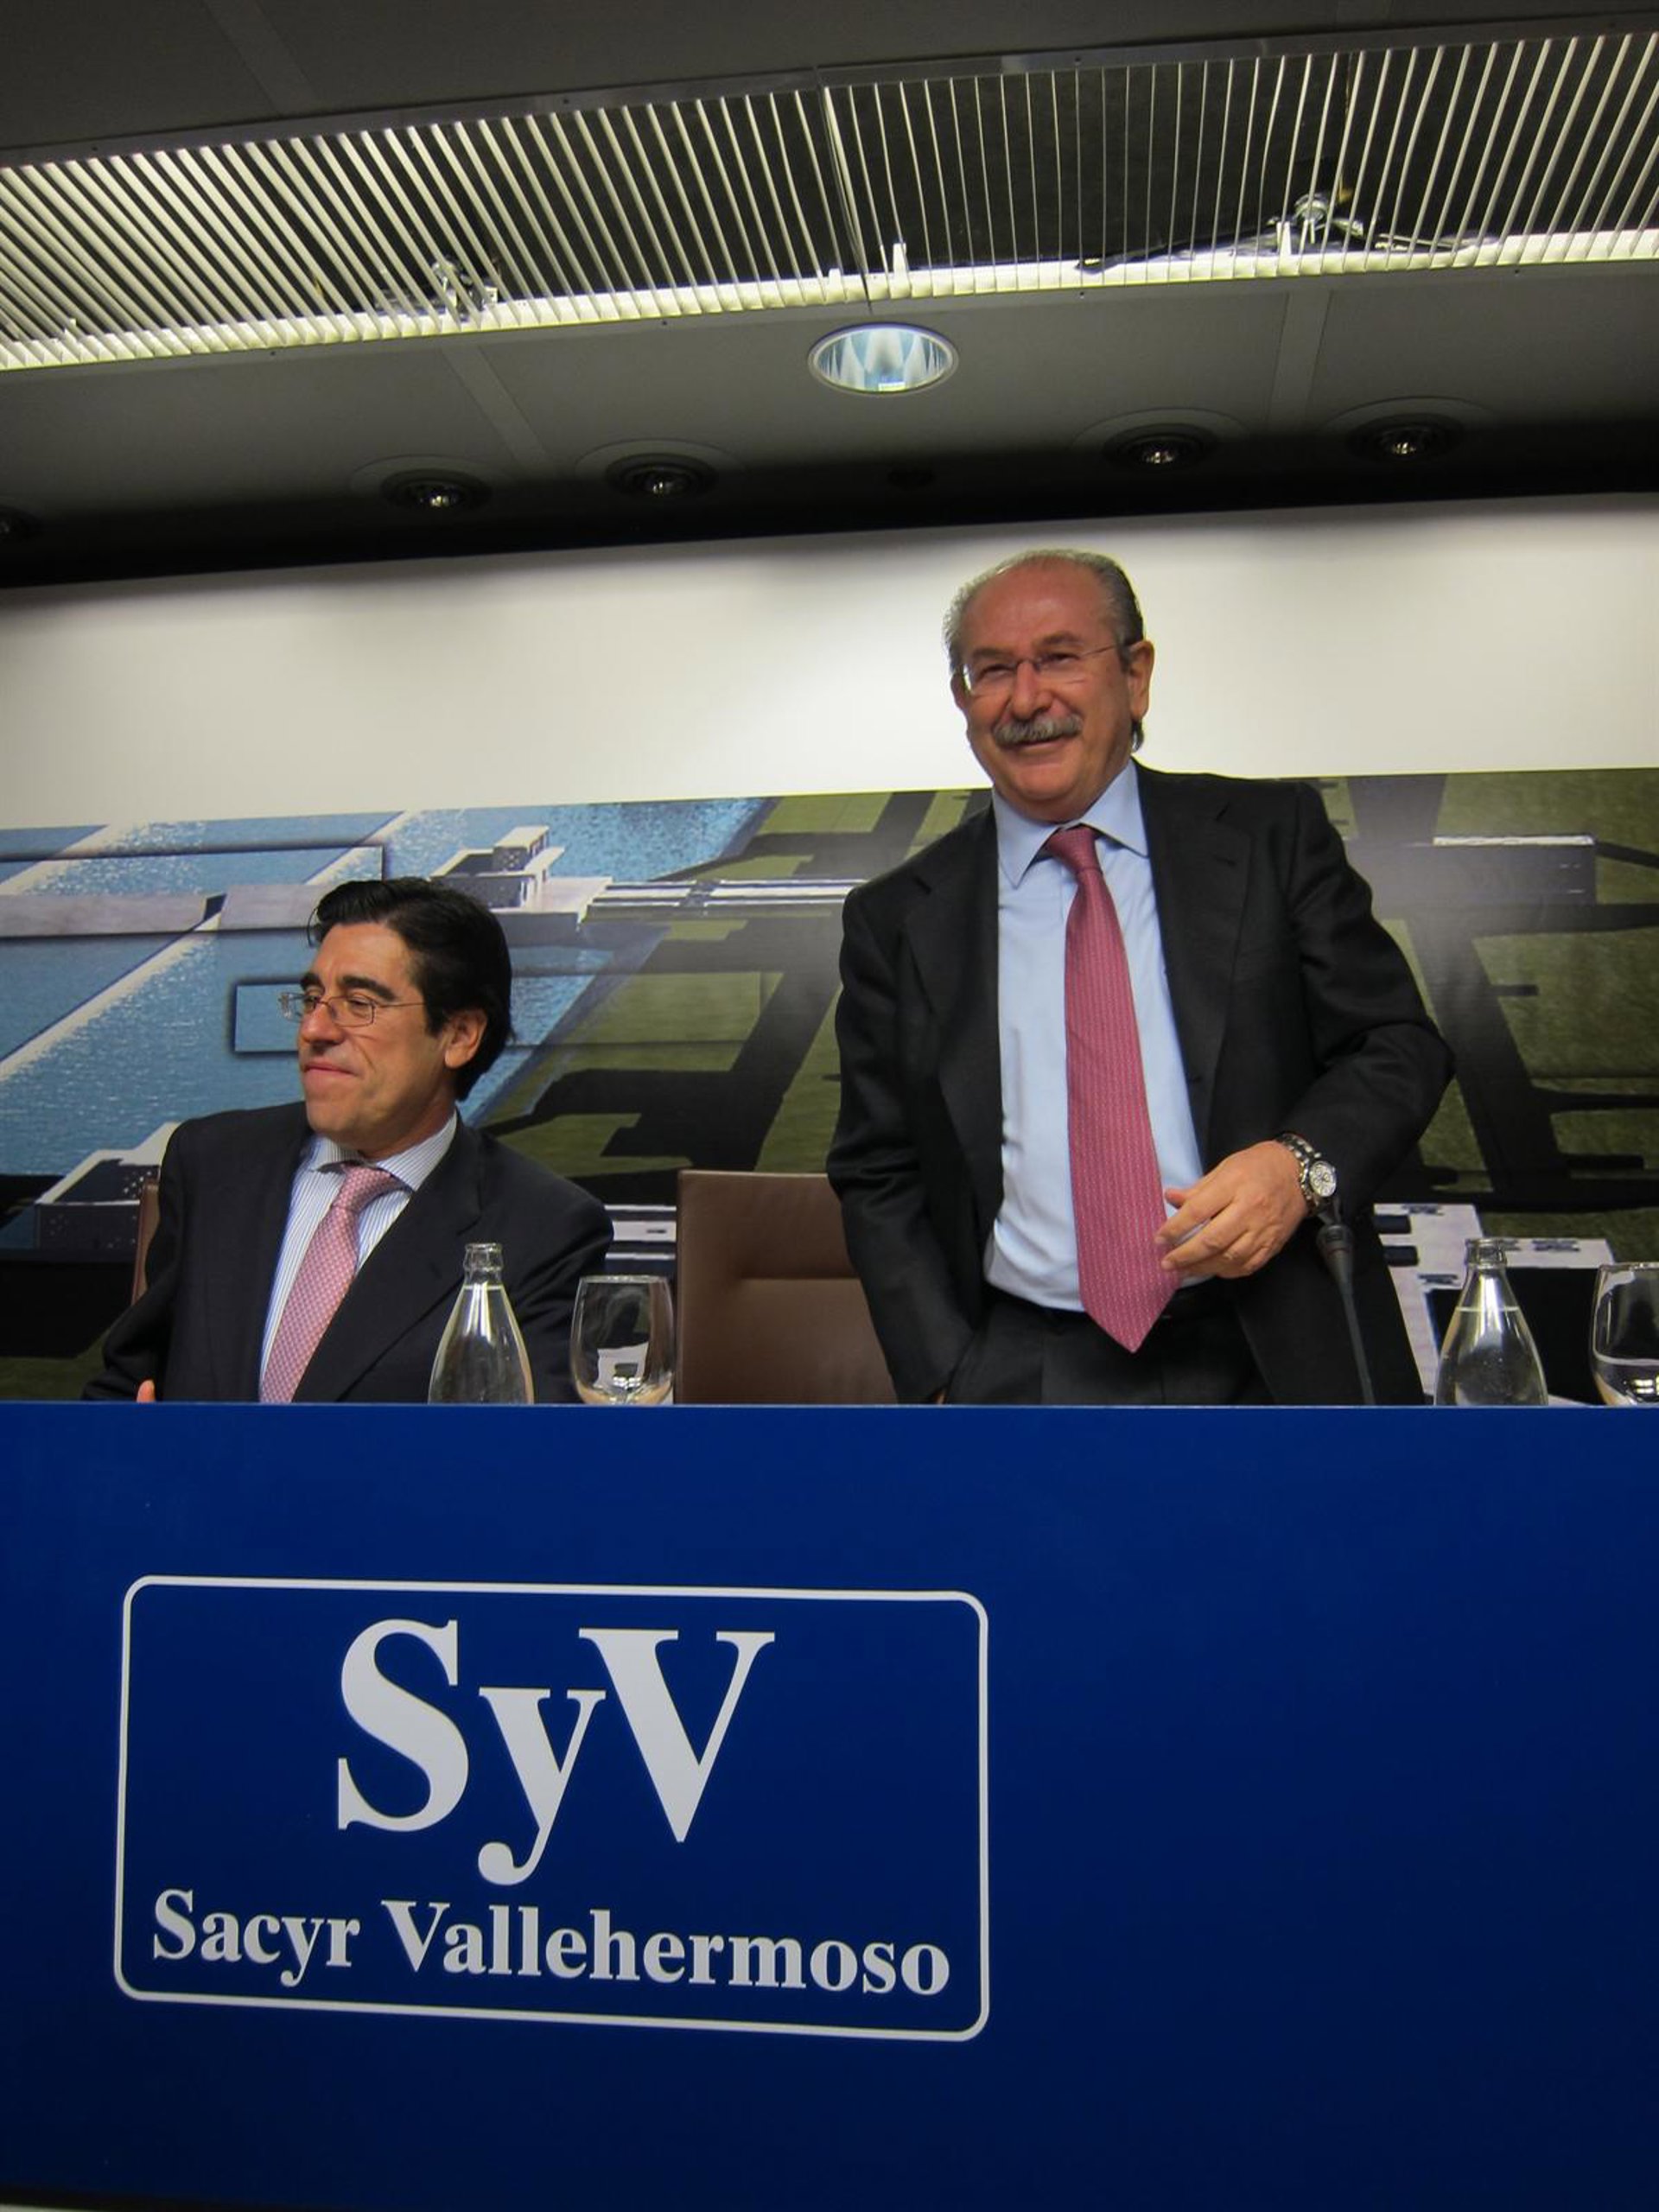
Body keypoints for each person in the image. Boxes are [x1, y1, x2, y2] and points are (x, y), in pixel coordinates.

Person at [828, 549, 1452, 1406]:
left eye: (1058, 657)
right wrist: (943, 1372)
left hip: (1278, 1347)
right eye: (993, 670)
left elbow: (1396, 1044)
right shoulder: (897, 918)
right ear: (963, 701)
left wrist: (1298, 1167)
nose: (1027, 699)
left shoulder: (1271, 837)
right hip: (1025, 1371)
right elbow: (878, 1168)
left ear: (1136, 675)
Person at [86, 876, 611, 1403]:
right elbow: (127, 1386)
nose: (315, 1029)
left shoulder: (544, 1228)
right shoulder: (213, 1163)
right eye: (313, 998)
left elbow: (525, 1442)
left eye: (359, 1004)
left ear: (459, 1035)